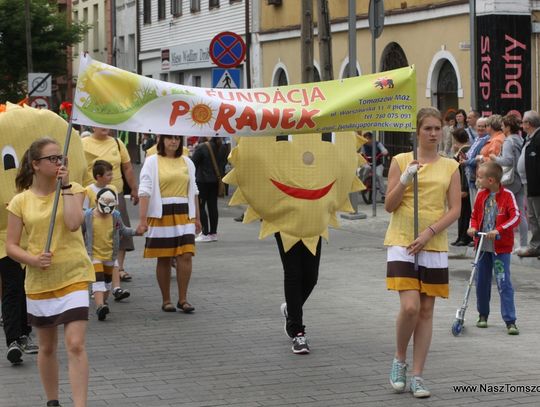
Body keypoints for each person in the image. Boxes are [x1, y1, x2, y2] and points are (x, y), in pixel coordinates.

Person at [6, 137, 94, 407]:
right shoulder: (20, 201)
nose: (59, 162)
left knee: (76, 343)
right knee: (46, 347)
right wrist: (32, 259)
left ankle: (80, 404)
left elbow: (72, 223)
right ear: (35, 164)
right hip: (40, 280)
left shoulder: (74, 189)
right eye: (53, 159)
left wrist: (65, 186)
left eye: (61, 158)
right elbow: (10, 246)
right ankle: (53, 401)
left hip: (75, 275)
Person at [384, 107, 461, 398]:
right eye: (427, 128)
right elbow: (389, 205)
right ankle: (399, 359)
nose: (432, 134)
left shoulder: (450, 166)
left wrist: (429, 232)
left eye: (437, 128)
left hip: (433, 242)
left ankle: (417, 375)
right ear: (417, 131)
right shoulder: (400, 161)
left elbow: (455, 209)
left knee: (427, 311)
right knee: (411, 307)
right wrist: (405, 179)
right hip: (402, 240)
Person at [137, 135, 201, 313]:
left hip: (184, 212)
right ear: (162, 141)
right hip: (161, 212)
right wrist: (142, 220)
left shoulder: (187, 162)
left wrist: (197, 217)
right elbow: (144, 191)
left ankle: (183, 299)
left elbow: (194, 190)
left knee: (186, 255)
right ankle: (166, 300)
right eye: (170, 139)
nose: (174, 142)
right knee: (164, 257)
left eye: (177, 139)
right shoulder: (152, 161)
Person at [467, 161, 520, 335]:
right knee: (481, 282)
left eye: (480, 177)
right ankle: (483, 315)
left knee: (503, 282)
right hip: (482, 247)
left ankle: (510, 320)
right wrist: (473, 227)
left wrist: (499, 229)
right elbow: (474, 215)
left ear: (491, 180)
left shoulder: (507, 196)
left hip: (500, 249)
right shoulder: (481, 195)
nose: (477, 180)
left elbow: (516, 217)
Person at [82, 127, 139, 282]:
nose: (105, 127)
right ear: (93, 127)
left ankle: (119, 268)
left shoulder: (117, 142)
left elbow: (127, 167)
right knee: (93, 233)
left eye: (106, 124)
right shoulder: (83, 143)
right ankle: (94, 266)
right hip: (93, 195)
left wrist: (134, 188)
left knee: (118, 230)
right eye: (100, 124)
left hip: (116, 194)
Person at [83, 188, 139, 321]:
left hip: (110, 255)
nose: (106, 210)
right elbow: (80, 232)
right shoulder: (88, 215)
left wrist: (137, 232)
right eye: (104, 206)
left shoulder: (115, 215)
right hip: (94, 255)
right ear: (96, 202)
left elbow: (123, 230)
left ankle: (103, 303)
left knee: (107, 284)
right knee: (98, 281)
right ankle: (100, 306)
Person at [83, 160, 130, 301]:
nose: (111, 177)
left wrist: (118, 229)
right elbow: (85, 210)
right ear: (98, 176)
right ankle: (96, 288)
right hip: (96, 233)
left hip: (110, 231)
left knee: (113, 261)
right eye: (108, 174)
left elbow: (114, 210)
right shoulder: (88, 190)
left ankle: (116, 288)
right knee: (96, 263)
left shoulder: (113, 188)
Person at [489, 114, 528, 251]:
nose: (501, 128)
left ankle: (506, 240)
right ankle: (524, 244)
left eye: (503, 126)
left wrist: (494, 158)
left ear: (508, 127)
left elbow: (508, 160)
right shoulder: (520, 139)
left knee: (502, 211)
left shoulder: (508, 141)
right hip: (520, 178)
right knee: (520, 212)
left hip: (510, 179)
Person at [191, 137, 228, 242]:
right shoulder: (223, 147)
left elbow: (192, 163)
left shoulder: (202, 147)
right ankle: (213, 233)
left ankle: (205, 232)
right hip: (216, 181)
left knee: (201, 206)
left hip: (202, 181)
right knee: (213, 206)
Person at [516, 110, 540, 258]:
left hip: (536, 185)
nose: (522, 124)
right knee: (532, 216)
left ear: (528, 124)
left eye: (523, 122)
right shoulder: (530, 137)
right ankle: (535, 245)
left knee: (538, 215)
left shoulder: (538, 138)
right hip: (528, 183)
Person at [450, 128, 472, 246]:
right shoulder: (460, 149)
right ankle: (461, 236)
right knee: (462, 212)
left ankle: (464, 237)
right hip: (460, 185)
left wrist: (464, 189)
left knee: (465, 212)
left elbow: (464, 171)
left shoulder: (464, 150)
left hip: (463, 186)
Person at [464, 117, 489, 208]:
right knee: (473, 205)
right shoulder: (477, 139)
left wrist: (466, 162)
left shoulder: (486, 140)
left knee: (477, 206)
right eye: (479, 126)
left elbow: (479, 160)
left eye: (483, 126)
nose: (481, 128)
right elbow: (472, 154)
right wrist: (465, 156)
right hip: (471, 175)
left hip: (476, 175)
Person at [360, 131, 389, 201]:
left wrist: (384, 152)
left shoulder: (378, 144)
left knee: (379, 175)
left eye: (367, 139)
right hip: (368, 164)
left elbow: (384, 150)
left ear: (372, 139)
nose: (366, 141)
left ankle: (383, 195)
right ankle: (363, 186)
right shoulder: (364, 145)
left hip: (377, 164)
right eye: (365, 139)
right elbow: (362, 153)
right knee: (363, 171)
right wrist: (361, 155)